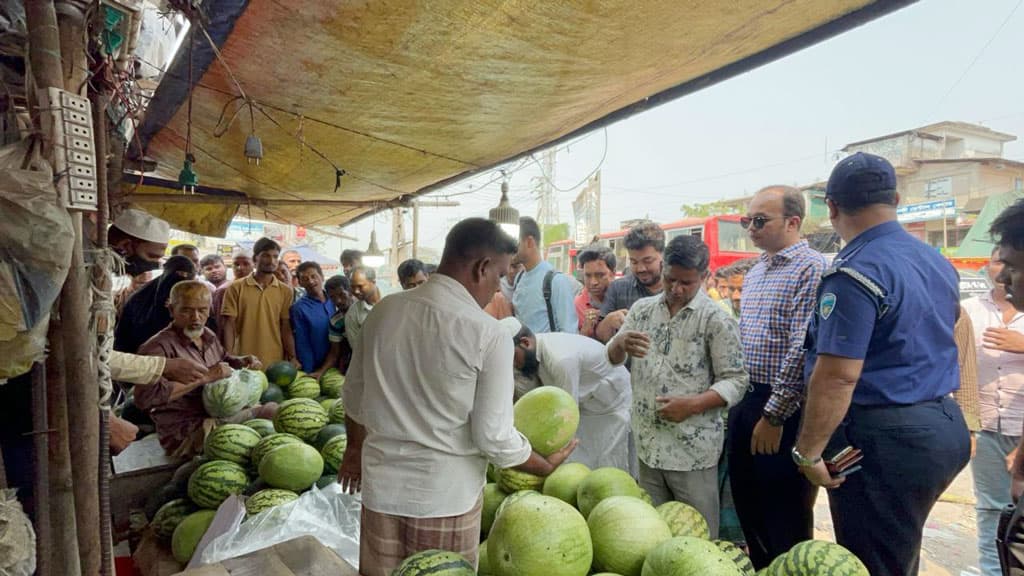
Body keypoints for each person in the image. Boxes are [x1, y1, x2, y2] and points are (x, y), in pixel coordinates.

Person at [337, 218, 577, 576]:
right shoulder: (487, 334)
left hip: (382, 491)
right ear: (482, 268)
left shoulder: (385, 311)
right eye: (498, 276)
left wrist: (354, 449)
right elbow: (492, 435)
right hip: (445, 499)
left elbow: (354, 397)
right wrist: (544, 465)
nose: (498, 288)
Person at [794, 152, 970, 576]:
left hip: (884, 442)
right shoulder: (935, 261)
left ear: (832, 208)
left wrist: (808, 452)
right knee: (899, 547)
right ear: (894, 198)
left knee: (872, 562)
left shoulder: (855, 272)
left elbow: (837, 376)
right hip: (944, 425)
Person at [606, 235, 748, 538]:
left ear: (704, 277)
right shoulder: (642, 310)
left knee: (696, 538)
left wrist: (692, 405)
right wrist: (619, 343)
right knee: (652, 535)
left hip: (691, 454)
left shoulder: (715, 321)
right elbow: (612, 357)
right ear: (664, 268)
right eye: (671, 279)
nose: (676, 289)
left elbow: (736, 380)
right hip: (647, 446)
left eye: (687, 283)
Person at [726, 186, 826, 569]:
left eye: (760, 220)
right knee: (748, 506)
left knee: (785, 513)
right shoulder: (755, 273)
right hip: (746, 400)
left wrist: (774, 415)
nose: (750, 227)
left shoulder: (812, 268)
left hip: (783, 410)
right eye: (746, 220)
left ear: (793, 222)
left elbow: (802, 348)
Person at [136, 281, 273, 458]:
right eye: (186, 310)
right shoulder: (157, 347)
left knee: (272, 412)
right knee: (269, 412)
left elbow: (223, 359)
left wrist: (241, 361)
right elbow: (144, 399)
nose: (196, 318)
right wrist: (204, 377)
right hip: (186, 429)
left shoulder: (208, 334)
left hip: (217, 414)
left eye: (202, 310)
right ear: (171, 310)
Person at [501, 318, 634, 473]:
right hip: (582, 405)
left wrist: (543, 463)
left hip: (610, 406)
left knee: (609, 465)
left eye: (512, 357)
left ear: (525, 343)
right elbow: (526, 405)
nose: (512, 364)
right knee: (583, 464)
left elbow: (565, 413)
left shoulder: (561, 358)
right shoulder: (524, 360)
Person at [962, 247, 1022, 576]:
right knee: (990, 509)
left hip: (1021, 424)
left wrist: (1021, 344)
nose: (1002, 270)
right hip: (984, 425)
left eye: (1010, 262)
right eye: (998, 260)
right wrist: (966, 424)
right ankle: (993, 571)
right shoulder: (967, 310)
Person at [221, 237, 298, 366]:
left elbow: (286, 327)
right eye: (266, 256)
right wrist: (229, 357)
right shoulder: (236, 287)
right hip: (244, 359)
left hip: (275, 361)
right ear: (255, 258)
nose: (272, 261)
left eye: (275, 256)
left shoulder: (285, 291)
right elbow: (229, 325)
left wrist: (292, 356)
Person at [596, 221, 665, 342]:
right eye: (634, 262)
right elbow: (600, 336)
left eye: (648, 261)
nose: (641, 268)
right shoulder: (618, 288)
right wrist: (609, 321)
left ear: (663, 255)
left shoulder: (679, 289)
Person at [114, 255, 198, 354]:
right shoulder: (139, 300)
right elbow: (123, 338)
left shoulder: (197, 300)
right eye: (177, 275)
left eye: (187, 277)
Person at [511, 217, 578, 334]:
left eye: (513, 244)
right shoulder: (519, 278)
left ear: (530, 242)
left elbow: (570, 333)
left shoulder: (556, 281)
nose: (509, 250)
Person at [291, 262, 336, 374]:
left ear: (322, 277)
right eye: (305, 279)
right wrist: (309, 372)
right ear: (300, 283)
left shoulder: (336, 300)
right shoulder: (299, 308)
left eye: (313, 276)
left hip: (339, 364)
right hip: (316, 367)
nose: (311, 281)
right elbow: (303, 343)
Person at [312, 274, 354, 378]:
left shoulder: (367, 309)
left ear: (350, 291)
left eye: (342, 295)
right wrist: (321, 372)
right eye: (332, 297)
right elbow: (334, 353)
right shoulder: (336, 321)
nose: (338, 301)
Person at [575, 246, 615, 339]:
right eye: (588, 276)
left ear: (612, 274)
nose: (593, 282)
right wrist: (585, 330)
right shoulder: (577, 305)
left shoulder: (625, 296)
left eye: (600, 275)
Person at [346, 265, 382, 349]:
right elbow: (357, 349)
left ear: (373, 282)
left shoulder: (392, 299)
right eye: (352, 287)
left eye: (360, 286)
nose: (356, 291)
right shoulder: (352, 314)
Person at [212, 251, 253, 321]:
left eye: (246, 264)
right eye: (236, 264)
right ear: (231, 266)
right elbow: (220, 321)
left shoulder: (260, 288)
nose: (240, 268)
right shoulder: (223, 290)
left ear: (254, 265)